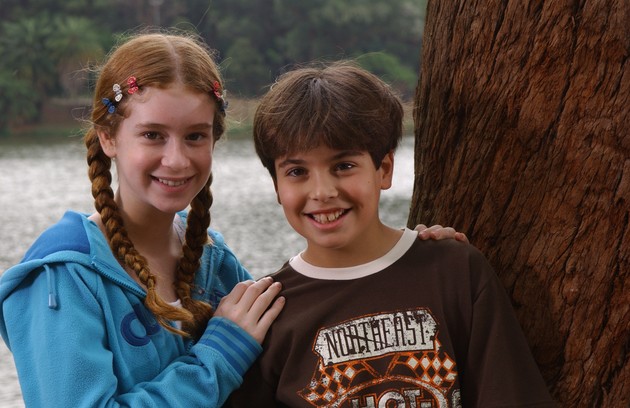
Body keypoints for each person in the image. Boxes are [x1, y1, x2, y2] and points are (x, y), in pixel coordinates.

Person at [0, 33, 461, 407]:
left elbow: (307, 333)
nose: (176, 159)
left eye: (195, 136)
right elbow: (231, 350)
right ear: (108, 139)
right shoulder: (61, 275)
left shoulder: (212, 262)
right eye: (153, 136)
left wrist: (404, 260)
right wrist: (219, 353)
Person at [227, 62, 556, 407]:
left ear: (384, 169)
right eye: (297, 171)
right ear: (277, 187)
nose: (322, 191)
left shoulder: (455, 271)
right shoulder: (269, 312)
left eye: (344, 166)